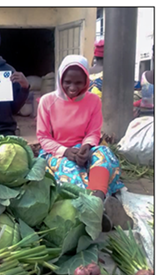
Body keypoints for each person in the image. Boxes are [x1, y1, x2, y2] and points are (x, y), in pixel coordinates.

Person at [36, 55, 124, 232]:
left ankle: (97, 205)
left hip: (84, 148)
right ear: (60, 79)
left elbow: (93, 132)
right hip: (56, 152)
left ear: (86, 81)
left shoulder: (93, 101)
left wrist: (87, 146)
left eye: (78, 82)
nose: (72, 88)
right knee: (71, 172)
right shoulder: (47, 102)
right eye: (67, 82)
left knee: (104, 155)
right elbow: (43, 137)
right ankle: (94, 210)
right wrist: (65, 151)